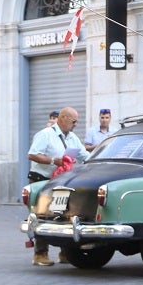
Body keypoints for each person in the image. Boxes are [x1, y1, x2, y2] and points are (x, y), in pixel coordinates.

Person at [26, 107, 90, 266]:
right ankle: (40, 254)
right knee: (42, 215)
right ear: (63, 118)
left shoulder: (73, 137)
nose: (76, 124)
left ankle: (65, 253)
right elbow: (32, 154)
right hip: (42, 181)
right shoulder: (45, 134)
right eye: (73, 121)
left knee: (63, 216)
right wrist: (54, 161)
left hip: (62, 182)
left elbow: (84, 155)